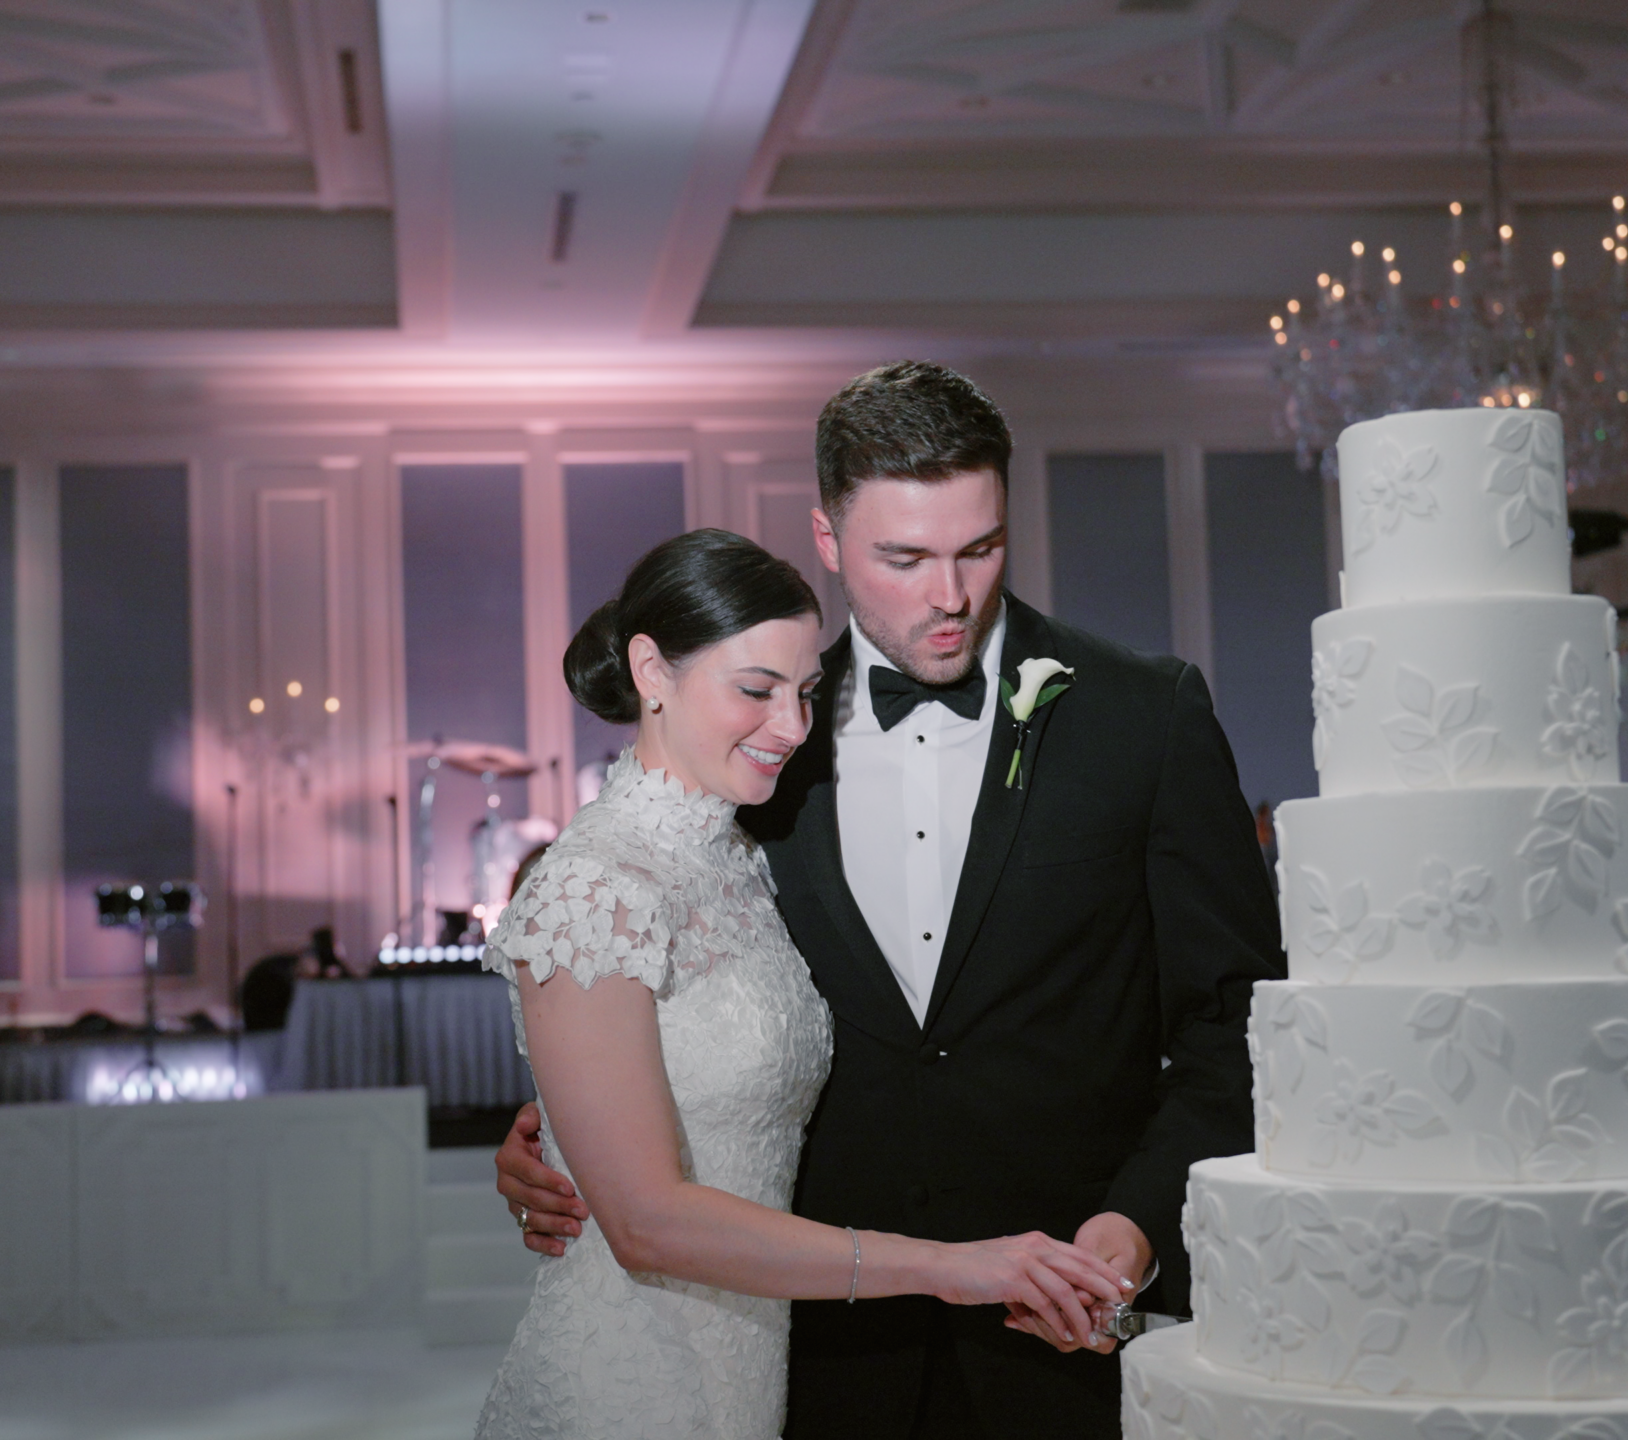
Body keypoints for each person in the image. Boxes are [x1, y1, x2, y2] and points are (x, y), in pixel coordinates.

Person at [496, 361, 1283, 1437]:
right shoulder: (761, 745)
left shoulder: (1144, 718)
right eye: (902, 558)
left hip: (1066, 1329)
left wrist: (1136, 1223)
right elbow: (663, 990)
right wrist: (560, 1133)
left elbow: (1238, 1020)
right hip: (820, 1353)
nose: (948, 596)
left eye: (979, 549)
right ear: (826, 539)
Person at [473, 528, 1129, 1440]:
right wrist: (954, 1266)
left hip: (757, 1365)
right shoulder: (592, 885)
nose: (792, 727)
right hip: (629, 1380)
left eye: (807, 693)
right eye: (756, 690)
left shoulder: (743, 856)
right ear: (652, 672)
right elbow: (647, 1221)